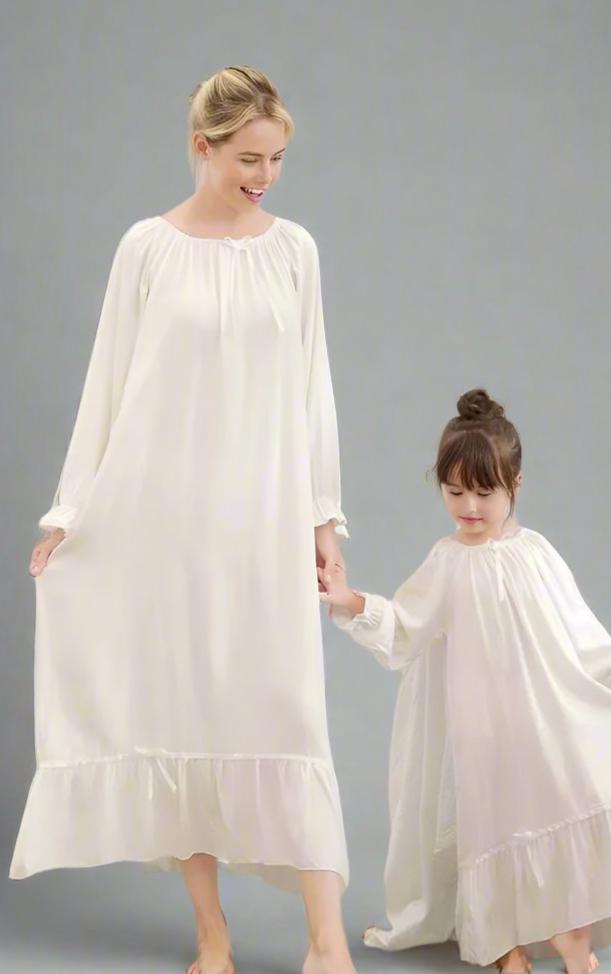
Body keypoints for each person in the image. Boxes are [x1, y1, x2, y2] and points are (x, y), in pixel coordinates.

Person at [12, 65, 357, 974]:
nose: (267, 176)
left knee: (288, 711)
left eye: (279, 158)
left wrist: (324, 522)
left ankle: (328, 943)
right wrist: (70, 513)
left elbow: (313, 392)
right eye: (250, 158)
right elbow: (109, 386)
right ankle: (212, 935)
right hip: (166, 524)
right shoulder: (146, 250)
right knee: (183, 707)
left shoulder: (295, 252)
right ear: (200, 146)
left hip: (264, 520)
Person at [319, 387, 611, 974]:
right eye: (455, 490)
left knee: (566, 797)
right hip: (482, 725)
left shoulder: (534, 553)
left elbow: (579, 626)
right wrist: (349, 600)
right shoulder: (447, 561)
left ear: (515, 485)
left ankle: (570, 930)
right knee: (496, 824)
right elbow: (406, 627)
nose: (468, 506)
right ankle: (503, 943)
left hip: (546, 715)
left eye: (484, 492)